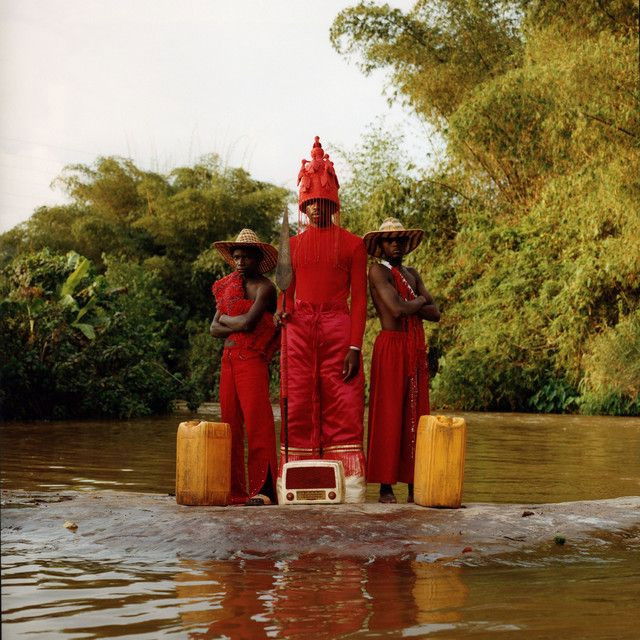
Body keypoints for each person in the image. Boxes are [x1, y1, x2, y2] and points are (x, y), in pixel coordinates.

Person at [275, 136, 367, 503]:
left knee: (344, 400)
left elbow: (359, 300)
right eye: (309, 202)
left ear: (333, 203)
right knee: (297, 401)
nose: (315, 207)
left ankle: (350, 489)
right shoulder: (292, 246)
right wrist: (282, 311)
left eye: (322, 202)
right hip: (298, 328)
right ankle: (296, 485)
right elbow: (286, 292)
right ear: (303, 205)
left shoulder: (353, 244)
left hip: (337, 325)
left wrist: (355, 346)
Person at [363, 218, 440, 503]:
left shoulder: (412, 272)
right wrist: (420, 301)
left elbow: (436, 314)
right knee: (389, 411)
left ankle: (414, 483)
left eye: (399, 239)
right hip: (392, 346)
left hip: (416, 347)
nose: (395, 244)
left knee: (417, 412)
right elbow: (396, 309)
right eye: (389, 240)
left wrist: (417, 305)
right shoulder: (377, 271)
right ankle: (385, 486)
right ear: (380, 245)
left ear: (406, 244)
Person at [210, 229, 279, 506]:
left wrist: (227, 320)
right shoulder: (228, 287)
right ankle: (236, 489)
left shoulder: (265, 288)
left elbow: (249, 324)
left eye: (246, 257)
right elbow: (213, 329)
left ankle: (265, 490)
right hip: (228, 360)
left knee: (258, 423)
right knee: (229, 424)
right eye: (236, 257)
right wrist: (231, 321)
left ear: (257, 258)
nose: (240, 262)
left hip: (252, 359)